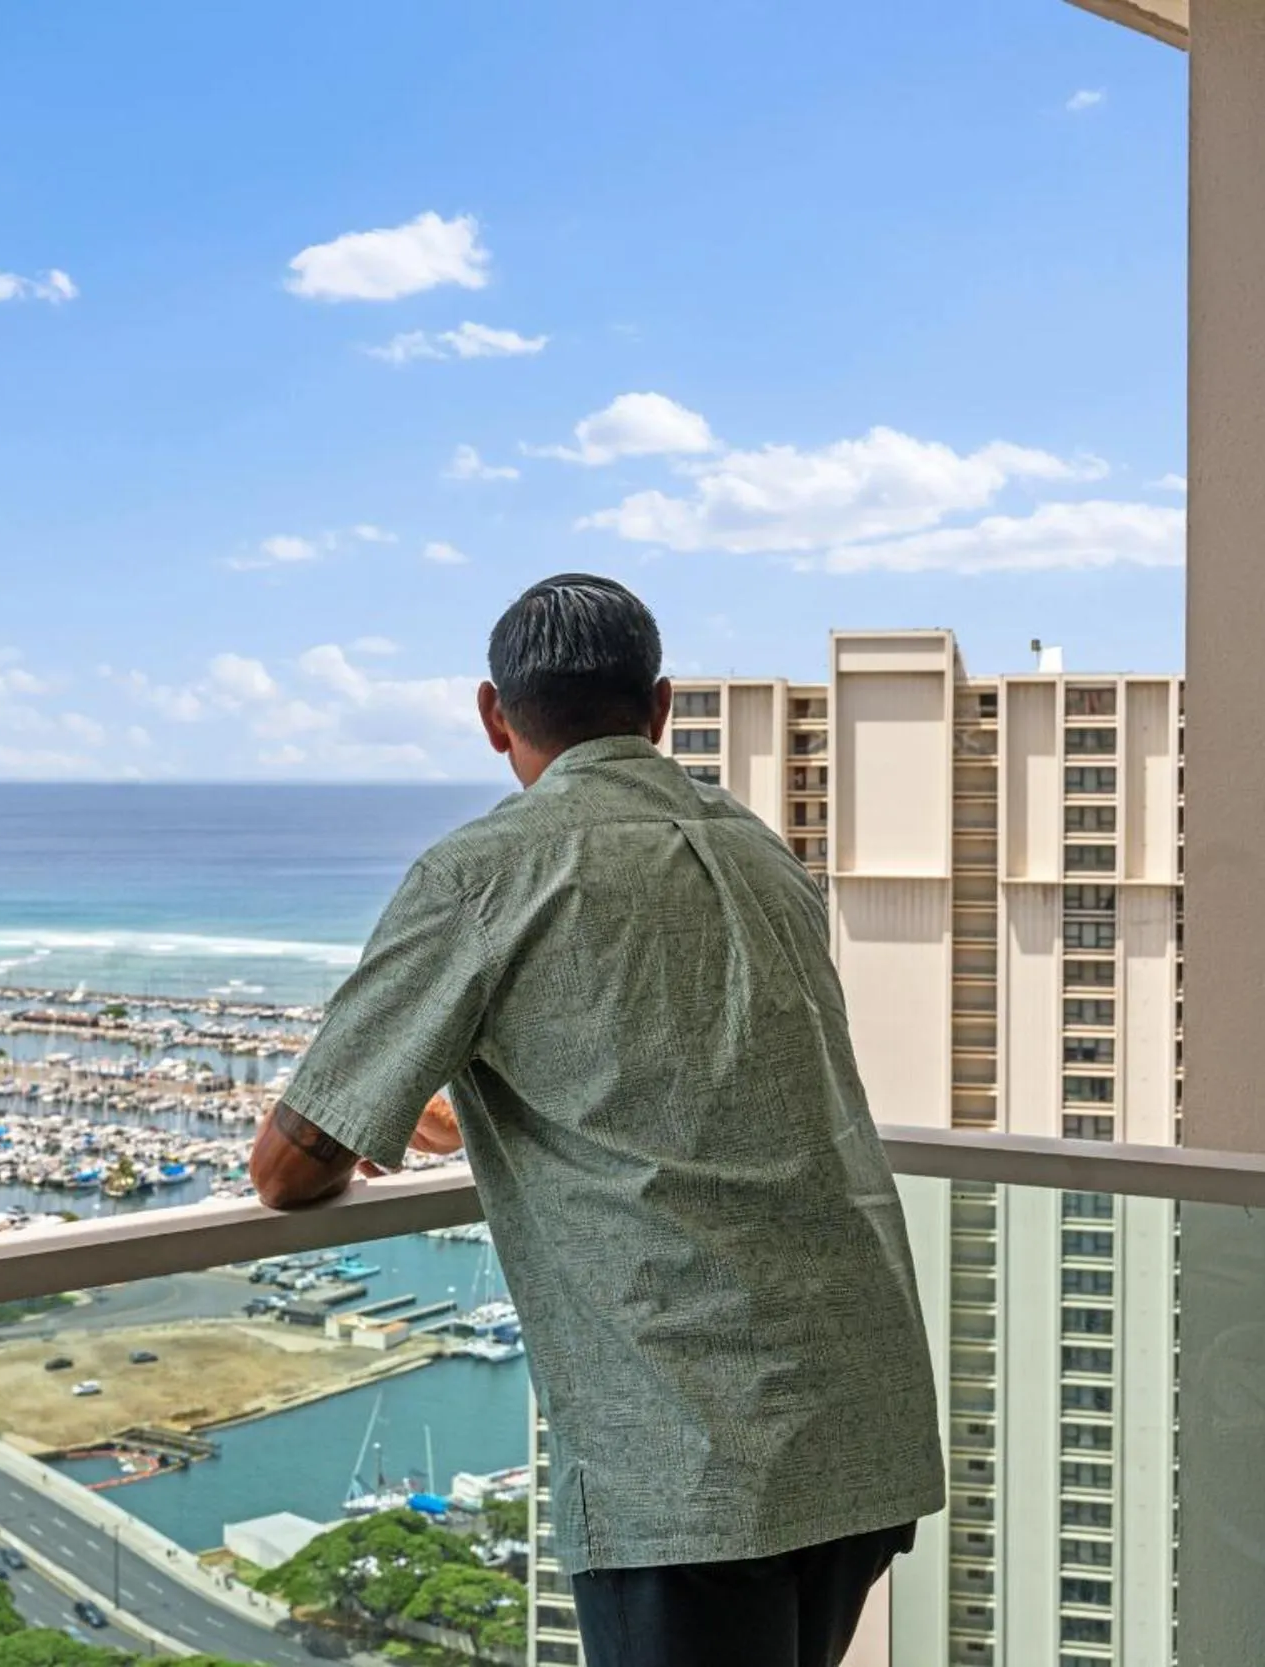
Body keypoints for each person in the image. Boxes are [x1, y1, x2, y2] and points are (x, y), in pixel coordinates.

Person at [248, 574, 943, 1667]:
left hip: (691, 1438)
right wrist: (467, 1108)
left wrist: (381, 1112)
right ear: (658, 706)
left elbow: (290, 1166)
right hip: (860, 1402)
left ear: (493, 713)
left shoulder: (483, 871)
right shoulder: (760, 848)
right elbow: (675, 1070)